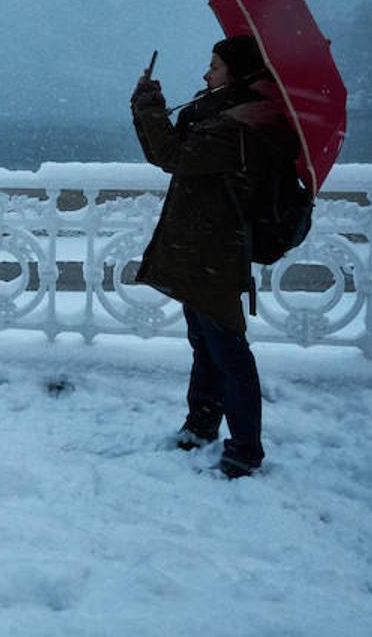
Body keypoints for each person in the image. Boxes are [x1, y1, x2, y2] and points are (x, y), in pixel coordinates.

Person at [129, 35, 299, 478]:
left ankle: (245, 449)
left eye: (215, 66)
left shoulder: (243, 124)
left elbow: (173, 155)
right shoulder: (221, 113)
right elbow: (165, 154)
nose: (206, 74)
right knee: (205, 342)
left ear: (238, 73)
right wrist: (146, 104)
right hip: (200, 246)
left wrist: (149, 106)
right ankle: (201, 424)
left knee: (228, 351)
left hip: (217, 250)